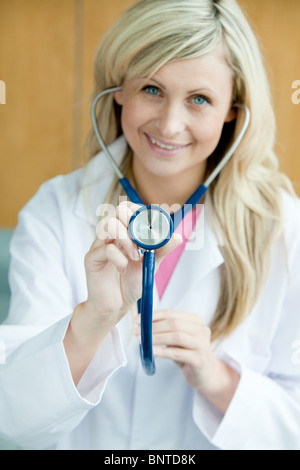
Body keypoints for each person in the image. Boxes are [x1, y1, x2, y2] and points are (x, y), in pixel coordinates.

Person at [0, 0, 300, 451]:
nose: (170, 124)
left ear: (232, 111)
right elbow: (12, 418)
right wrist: (92, 322)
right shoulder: (57, 211)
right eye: (152, 90)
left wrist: (217, 378)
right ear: (120, 89)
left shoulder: (282, 224)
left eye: (200, 99)